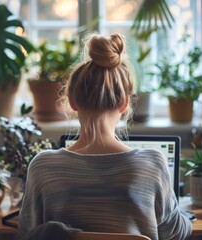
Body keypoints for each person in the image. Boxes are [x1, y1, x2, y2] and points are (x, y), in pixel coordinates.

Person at [18, 33, 192, 240]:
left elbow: (27, 233)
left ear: (72, 101)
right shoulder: (152, 165)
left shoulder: (43, 167)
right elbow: (175, 234)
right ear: (125, 103)